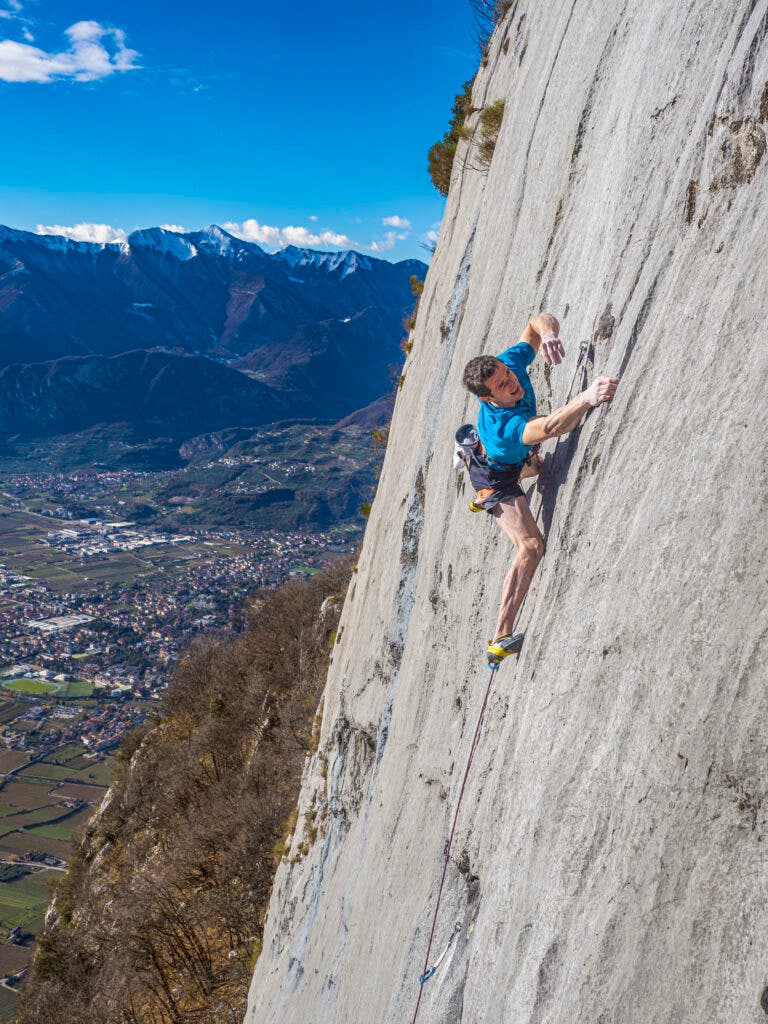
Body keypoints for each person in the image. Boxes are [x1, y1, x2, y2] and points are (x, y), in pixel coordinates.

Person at [461, 312, 620, 667]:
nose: (512, 383)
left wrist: (547, 334)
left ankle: (493, 484)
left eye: (508, 376)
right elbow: (549, 426)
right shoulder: (507, 426)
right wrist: (586, 398)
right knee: (531, 546)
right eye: (502, 386)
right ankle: (500, 637)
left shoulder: (507, 365)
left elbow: (536, 322)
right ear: (488, 399)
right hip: (497, 477)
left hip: (515, 461)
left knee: (538, 466)